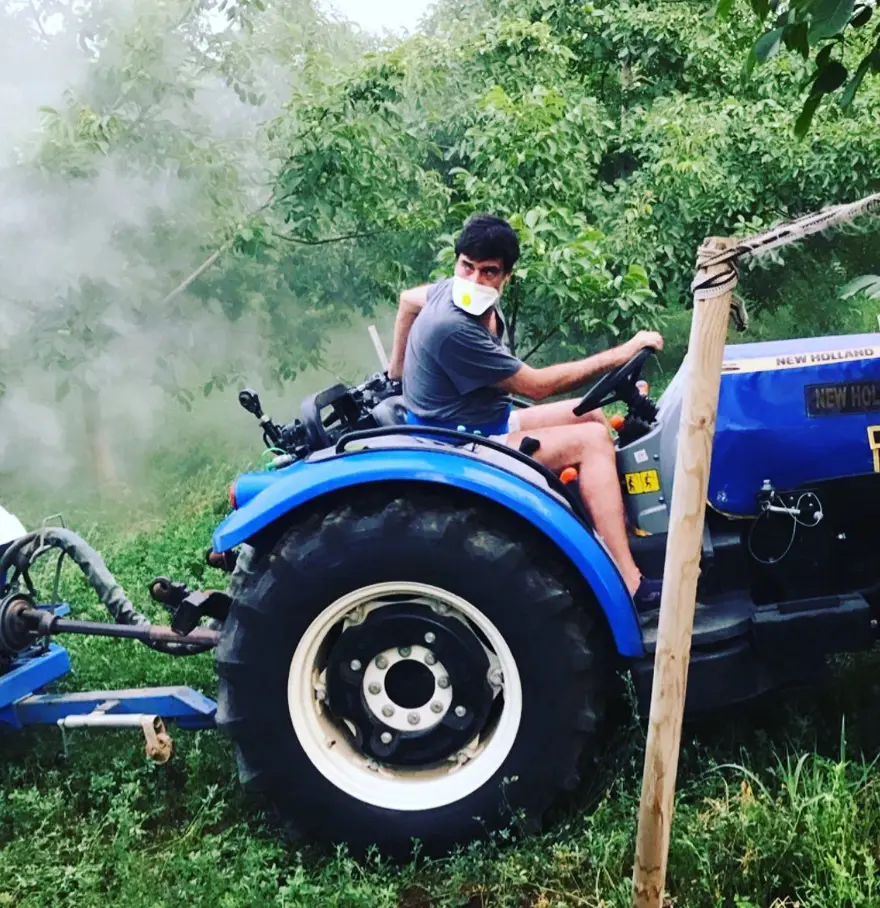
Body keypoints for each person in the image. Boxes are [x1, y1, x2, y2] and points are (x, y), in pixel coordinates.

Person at [387, 213, 664, 608]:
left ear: (506, 276)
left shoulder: (447, 291)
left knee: (591, 417)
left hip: (482, 420)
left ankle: (604, 529)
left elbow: (406, 301)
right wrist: (621, 353)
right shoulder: (453, 328)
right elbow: (538, 386)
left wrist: (395, 371)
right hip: (461, 441)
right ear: (458, 261)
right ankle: (628, 581)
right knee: (590, 442)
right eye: (467, 266)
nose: (474, 280)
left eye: (488, 271)